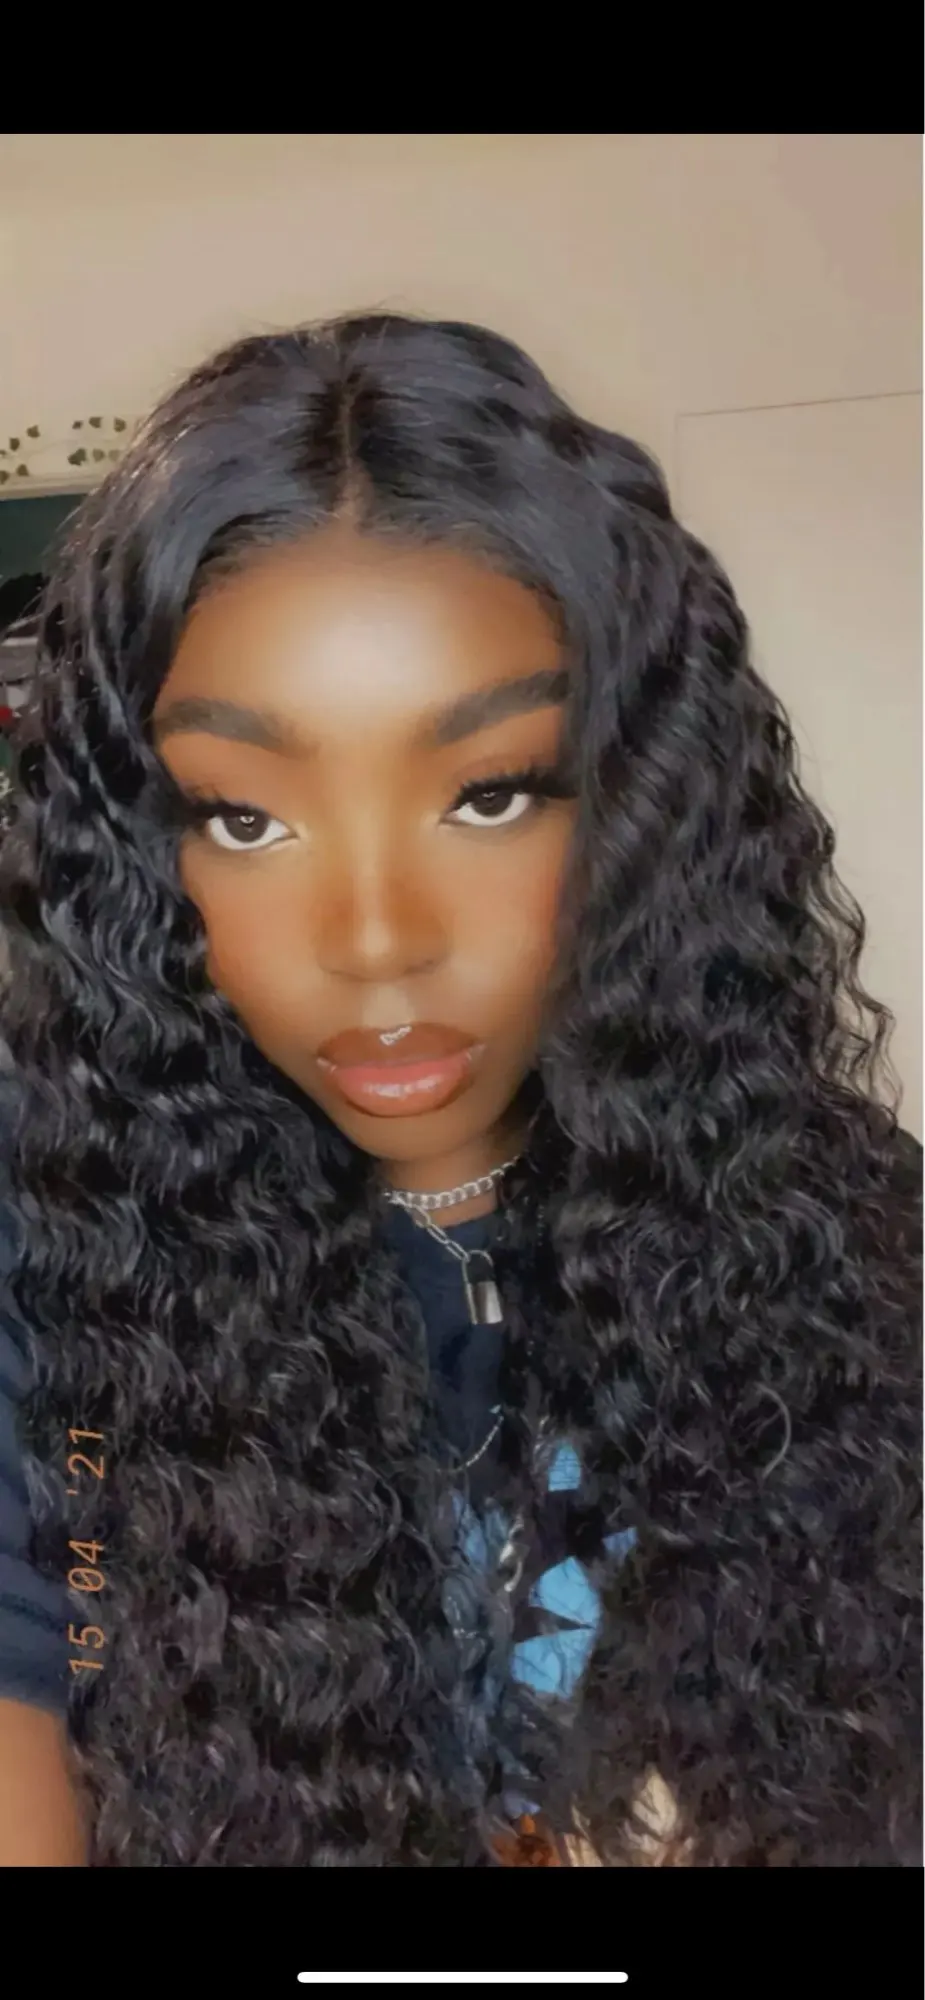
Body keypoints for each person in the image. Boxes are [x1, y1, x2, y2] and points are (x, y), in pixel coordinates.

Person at [0, 312, 919, 1869]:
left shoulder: (848, 1241)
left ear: (642, 801)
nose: (375, 942)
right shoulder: (51, 1249)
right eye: (242, 818)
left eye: (491, 794)